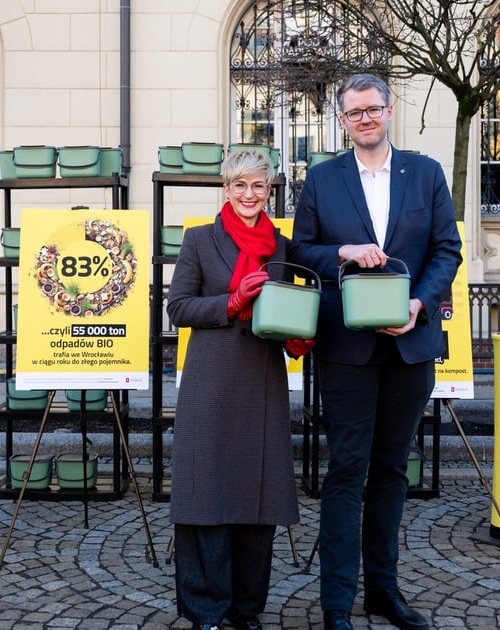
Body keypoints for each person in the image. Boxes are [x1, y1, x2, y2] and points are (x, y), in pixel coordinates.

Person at [290, 74, 462, 630]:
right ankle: (337, 603)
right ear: (342, 121)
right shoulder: (322, 179)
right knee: (346, 471)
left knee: (391, 471)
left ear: (389, 111)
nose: (364, 119)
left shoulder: (426, 173)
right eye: (353, 112)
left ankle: (383, 592)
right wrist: (343, 250)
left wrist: (419, 303)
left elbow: (447, 250)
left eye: (373, 109)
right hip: (347, 347)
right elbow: (301, 251)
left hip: (410, 343)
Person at [165, 150, 313, 630]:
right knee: (206, 495)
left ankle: (246, 608)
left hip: (262, 380)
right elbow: (178, 308)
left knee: (257, 497)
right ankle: (206, 609)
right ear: (226, 189)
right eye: (240, 185)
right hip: (210, 383)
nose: (250, 194)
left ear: (269, 191)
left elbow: (287, 310)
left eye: (259, 186)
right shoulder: (199, 240)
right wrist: (231, 301)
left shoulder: (282, 248)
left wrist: (299, 336)